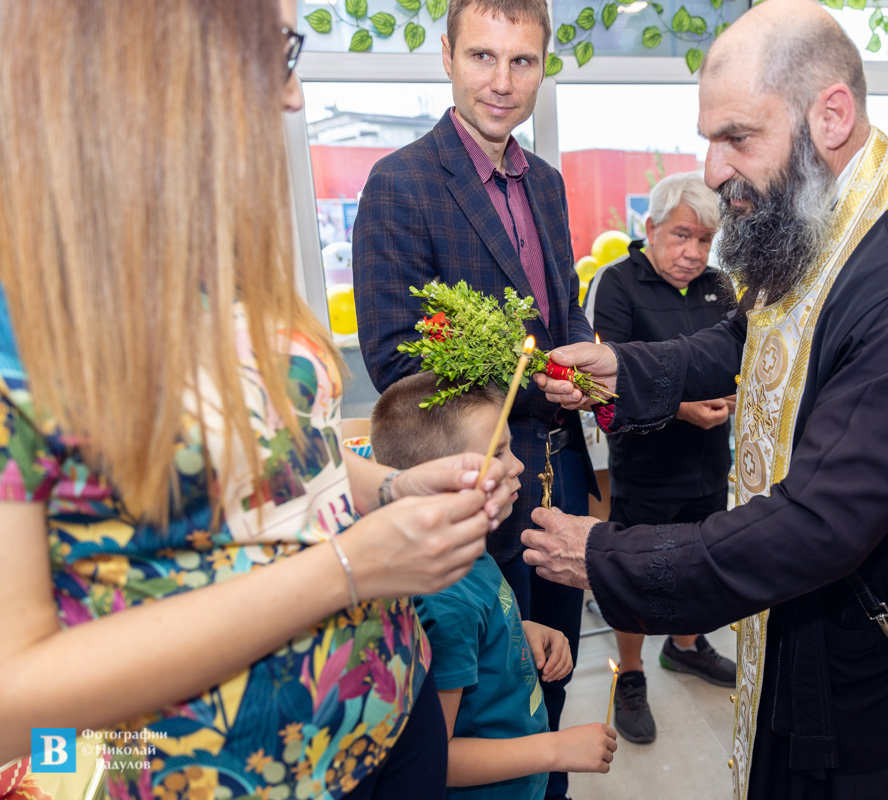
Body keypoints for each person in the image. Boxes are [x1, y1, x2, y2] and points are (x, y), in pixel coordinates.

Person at [0, 2, 515, 798]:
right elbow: (14, 701)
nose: (293, 95)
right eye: (277, 52)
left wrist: (391, 488)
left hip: (392, 717)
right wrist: (346, 570)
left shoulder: (205, 254)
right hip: (214, 772)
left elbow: (282, 457)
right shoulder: (19, 322)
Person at [522, 1, 888, 798]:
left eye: (737, 138)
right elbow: (750, 337)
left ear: (831, 115)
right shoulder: (827, 221)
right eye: (710, 139)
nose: (713, 170)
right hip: (817, 632)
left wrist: (608, 557)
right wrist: (623, 369)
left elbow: (817, 524)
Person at [352, 2, 595, 795]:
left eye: (522, 61)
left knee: (551, 671)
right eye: (483, 57)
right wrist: (531, 376)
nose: (502, 81)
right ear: (447, 57)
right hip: (474, 479)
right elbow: (395, 357)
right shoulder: (399, 184)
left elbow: (563, 307)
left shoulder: (546, 184)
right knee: (481, 694)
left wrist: (582, 367)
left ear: (543, 67)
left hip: (560, 474)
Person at [370, 373, 617, 797]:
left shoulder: (465, 553)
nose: (518, 465)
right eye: (498, 453)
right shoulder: (447, 600)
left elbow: (472, 639)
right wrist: (557, 749)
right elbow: (436, 758)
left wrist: (516, 631)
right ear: (441, 479)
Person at [583, 173, 737, 745]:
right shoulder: (617, 283)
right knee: (634, 570)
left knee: (699, 563)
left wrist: (732, 395)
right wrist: (682, 408)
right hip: (646, 464)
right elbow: (605, 383)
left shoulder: (720, 286)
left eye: (704, 240)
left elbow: (735, 359)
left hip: (709, 460)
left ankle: (685, 646)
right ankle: (631, 672)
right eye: (681, 236)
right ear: (650, 228)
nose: (693, 253)